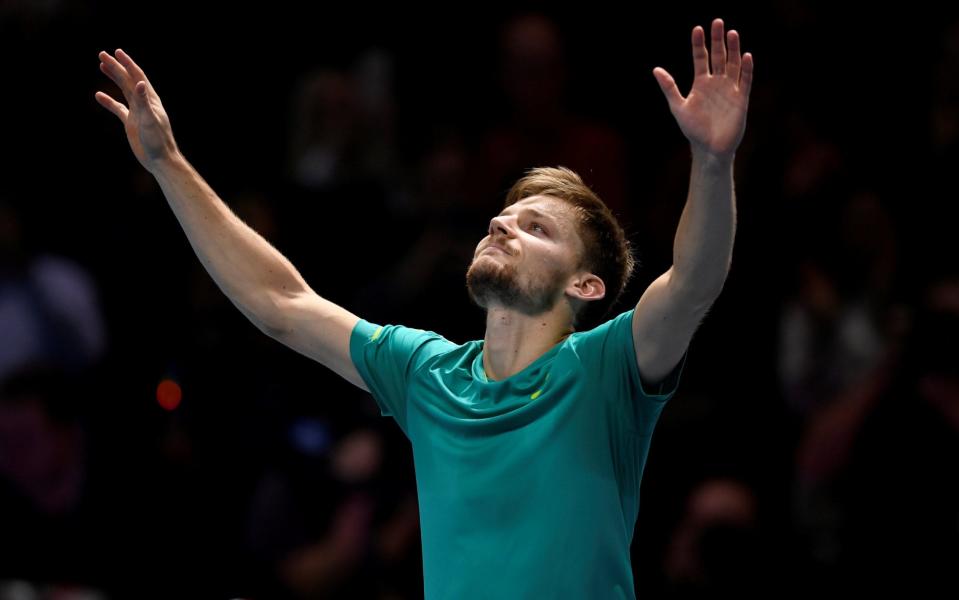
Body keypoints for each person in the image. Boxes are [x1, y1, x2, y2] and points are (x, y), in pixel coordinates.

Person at [95, 16, 752, 599]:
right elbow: (282, 302)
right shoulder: (427, 373)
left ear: (585, 286)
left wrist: (712, 159)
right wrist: (168, 164)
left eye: (537, 229)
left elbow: (692, 283)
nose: (501, 225)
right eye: (503, 215)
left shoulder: (606, 369)